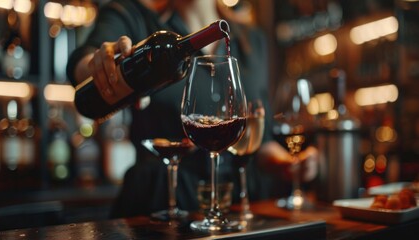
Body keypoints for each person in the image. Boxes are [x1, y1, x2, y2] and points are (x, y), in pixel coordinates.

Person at [66, 0, 318, 218]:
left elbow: (258, 137)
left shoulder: (254, 40)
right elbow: (83, 66)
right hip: (161, 201)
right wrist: (99, 65)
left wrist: (286, 163)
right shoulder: (133, 17)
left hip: (241, 205)